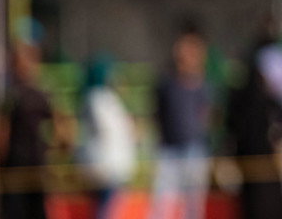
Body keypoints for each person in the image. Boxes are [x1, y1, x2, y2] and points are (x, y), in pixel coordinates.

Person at [148, 27, 212, 219]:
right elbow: (156, 115)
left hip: (194, 150)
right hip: (169, 151)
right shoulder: (166, 83)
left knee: (193, 207)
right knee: (162, 205)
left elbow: (206, 116)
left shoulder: (202, 85)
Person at [225, 47, 282, 219]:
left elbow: (230, 129)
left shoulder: (240, 100)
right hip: (263, 168)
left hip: (253, 169)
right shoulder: (266, 100)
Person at [0, 38, 56, 219]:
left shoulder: (29, 94)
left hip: (28, 165)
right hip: (20, 164)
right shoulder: (15, 95)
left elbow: (2, 132)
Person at [76, 55, 137, 219]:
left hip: (112, 166)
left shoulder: (106, 98)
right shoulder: (96, 98)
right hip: (105, 166)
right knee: (104, 210)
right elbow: (107, 129)